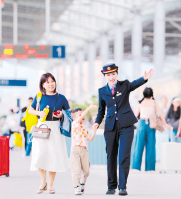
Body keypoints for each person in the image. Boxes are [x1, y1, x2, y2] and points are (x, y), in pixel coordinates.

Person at [92, 63, 154, 196]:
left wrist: (144, 78)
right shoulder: (102, 91)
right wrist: (97, 122)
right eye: (108, 75)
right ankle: (111, 186)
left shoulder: (124, 85)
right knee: (111, 156)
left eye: (113, 74)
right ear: (105, 76)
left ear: (117, 74)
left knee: (124, 156)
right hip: (110, 127)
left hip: (126, 126)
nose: (111, 77)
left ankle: (122, 186)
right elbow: (101, 110)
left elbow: (134, 84)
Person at [29, 73, 70, 194]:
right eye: (47, 82)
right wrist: (39, 113)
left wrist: (61, 114)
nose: (50, 84)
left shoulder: (61, 98)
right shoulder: (39, 97)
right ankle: (43, 183)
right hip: (41, 127)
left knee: (54, 156)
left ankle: (51, 185)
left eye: (52, 81)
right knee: (40, 154)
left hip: (55, 128)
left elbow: (68, 113)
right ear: (43, 85)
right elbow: (30, 110)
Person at [132, 88, 171, 172]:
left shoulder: (140, 102)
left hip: (142, 124)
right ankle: (150, 168)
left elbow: (135, 116)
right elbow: (160, 115)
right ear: (152, 94)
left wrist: (128, 124)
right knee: (151, 146)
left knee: (138, 145)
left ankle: (135, 167)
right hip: (151, 124)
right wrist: (165, 125)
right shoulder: (154, 103)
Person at [70, 105, 97, 195]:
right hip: (75, 150)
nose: (83, 116)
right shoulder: (74, 124)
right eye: (80, 115)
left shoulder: (84, 128)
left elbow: (89, 139)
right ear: (74, 118)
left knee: (86, 171)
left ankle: (82, 184)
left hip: (84, 151)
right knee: (76, 170)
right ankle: (76, 187)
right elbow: (79, 119)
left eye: (83, 115)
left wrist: (94, 131)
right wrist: (88, 108)